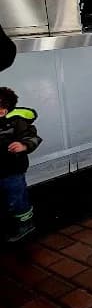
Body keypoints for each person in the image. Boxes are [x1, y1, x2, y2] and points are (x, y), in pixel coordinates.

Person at [0, 87, 41, 243]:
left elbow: (33, 137)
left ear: (2, 111)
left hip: (13, 169)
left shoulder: (17, 122)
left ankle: (26, 223)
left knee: (17, 197)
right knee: (6, 198)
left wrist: (23, 145)